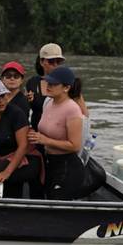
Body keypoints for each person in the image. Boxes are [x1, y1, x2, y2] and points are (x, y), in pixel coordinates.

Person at [28, 66, 87, 200]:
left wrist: (45, 141)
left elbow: (75, 145)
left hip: (67, 166)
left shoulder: (72, 109)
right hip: (50, 162)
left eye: (53, 84)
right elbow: (45, 130)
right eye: (48, 82)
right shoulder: (49, 103)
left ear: (66, 88)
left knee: (57, 203)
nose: (48, 86)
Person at [26, 43, 89, 129]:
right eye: (51, 61)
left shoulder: (69, 83)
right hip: (36, 134)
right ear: (41, 62)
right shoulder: (32, 82)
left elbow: (84, 115)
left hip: (60, 136)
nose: (55, 65)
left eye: (58, 62)